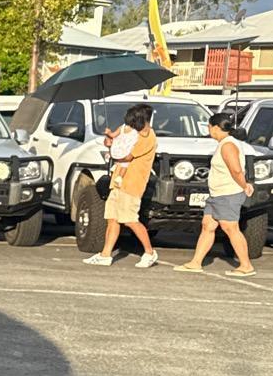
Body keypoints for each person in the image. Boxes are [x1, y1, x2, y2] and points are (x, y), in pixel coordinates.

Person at [173, 109, 257, 276]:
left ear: (217, 128)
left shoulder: (228, 145)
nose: (209, 130)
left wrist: (244, 185)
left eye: (210, 126)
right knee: (207, 225)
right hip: (217, 193)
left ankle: (246, 265)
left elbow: (236, 170)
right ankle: (196, 262)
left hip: (228, 192)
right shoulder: (223, 144)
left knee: (230, 227)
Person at [85, 102, 159, 267]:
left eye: (133, 120)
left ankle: (149, 252)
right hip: (118, 181)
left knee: (130, 219)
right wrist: (111, 141)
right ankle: (105, 254)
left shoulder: (148, 137)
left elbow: (127, 157)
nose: (130, 124)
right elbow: (118, 144)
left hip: (132, 183)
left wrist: (114, 150)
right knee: (112, 219)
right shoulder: (133, 133)